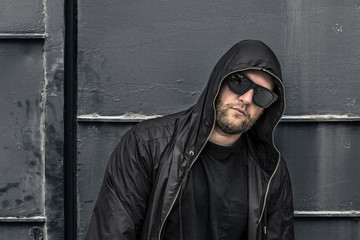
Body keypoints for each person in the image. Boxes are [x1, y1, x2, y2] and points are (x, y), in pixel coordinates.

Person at [85, 40, 294, 240]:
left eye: (262, 95)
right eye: (239, 82)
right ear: (218, 81)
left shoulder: (271, 170)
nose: (247, 99)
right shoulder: (147, 145)